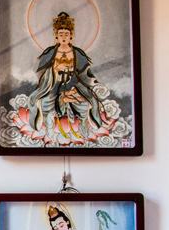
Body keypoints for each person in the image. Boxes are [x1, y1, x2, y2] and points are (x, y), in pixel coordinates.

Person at [17, 12, 117, 145]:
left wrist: (77, 85)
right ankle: (50, 132)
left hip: (74, 86)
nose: (63, 37)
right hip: (52, 86)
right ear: (56, 36)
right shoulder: (50, 53)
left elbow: (85, 74)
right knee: (44, 103)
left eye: (66, 34)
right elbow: (40, 73)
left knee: (86, 104)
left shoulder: (77, 53)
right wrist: (55, 69)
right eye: (61, 34)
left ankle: (83, 130)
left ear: (71, 36)